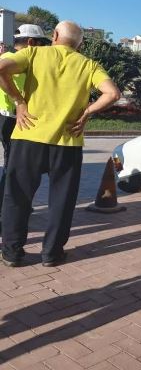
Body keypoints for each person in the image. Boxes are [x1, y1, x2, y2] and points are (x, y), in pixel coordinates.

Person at [0, 21, 121, 267]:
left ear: (54, 35)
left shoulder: (34, 53)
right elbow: (113, 94)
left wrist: (19, 102)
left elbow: (1, 68)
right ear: (80, 45)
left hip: (28, 136)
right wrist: (87, 113)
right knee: (62, 201)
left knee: (17, 197)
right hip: (67, 143)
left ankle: (12, 253)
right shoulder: (88, 65)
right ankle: (52, 253)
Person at [0, 25, 48, 227]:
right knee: (14, 166)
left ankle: (12, 207)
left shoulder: (7, 58)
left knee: (13, 164)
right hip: (13, 119)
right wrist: (19, 101)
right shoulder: (18, 61)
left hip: (7, 118)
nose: (43, 48)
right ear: (31, 42)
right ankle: (5, 212)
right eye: (41, 43)